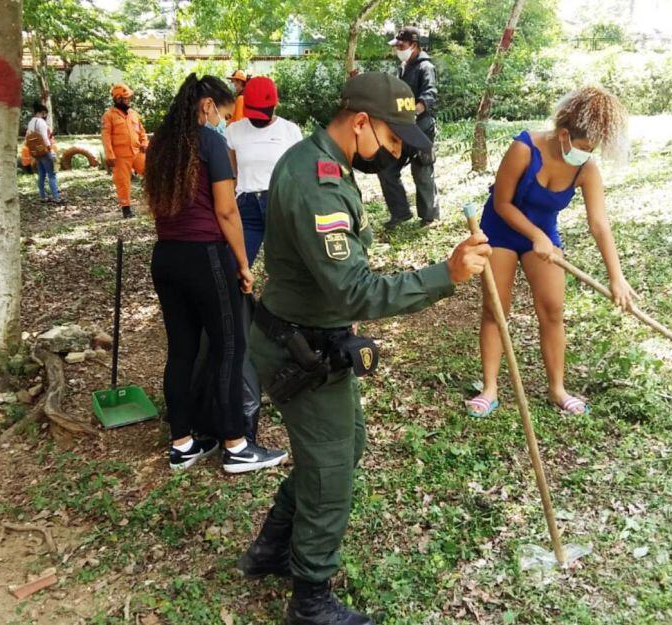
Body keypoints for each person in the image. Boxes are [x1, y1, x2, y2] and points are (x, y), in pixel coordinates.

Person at [236, 72, 491, 625]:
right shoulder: (318, 182)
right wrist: (444, 274)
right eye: (393, 139)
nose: (397, 152)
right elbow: (353, 289)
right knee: (331, 472)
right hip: (299, 348)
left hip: (316, 340)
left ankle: (269, 550)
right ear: (359, 123)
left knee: (343, 448)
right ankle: (310, 599)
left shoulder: (323, 163)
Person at [143, 73, 287, 475]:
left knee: (182, 351)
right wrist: (242, 264)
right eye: (224, 113)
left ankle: (182, 443)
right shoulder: (211, 142)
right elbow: (227, 211)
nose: (225, 121)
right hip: (206, 256)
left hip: (166, 257)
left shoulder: (160, 145)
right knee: (230, 348)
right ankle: (237, 445)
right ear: (207, 107)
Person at [465, 87, 637, 420]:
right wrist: (534, 236)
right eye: (585, 147)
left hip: (543, 236)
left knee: (553, 310)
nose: (588, 154)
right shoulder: (524, 148)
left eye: (593, 149)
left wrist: (617, 277)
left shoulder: (586, 168)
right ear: (563, 135)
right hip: (500, 228)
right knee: (496, 308)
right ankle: (489, 389)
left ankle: (557, 389)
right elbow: (501, 203)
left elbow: (599, 224)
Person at [224, 76, 302, 267]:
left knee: (286, 268)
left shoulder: (290, 131)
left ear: (275, 105)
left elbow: (298, 175)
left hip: (279, 204)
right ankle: (242, 297)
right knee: (234, 267)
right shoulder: (234, 131)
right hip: (246, 205)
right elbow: (231, 174)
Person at [378, 26, 439, 229]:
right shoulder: (403, 67)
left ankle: (429, 217)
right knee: (386, 169)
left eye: (401, 45)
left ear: (413, 45)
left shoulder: (425, 67)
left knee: (422, 171)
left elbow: (430, 94)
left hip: (421, 129)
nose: (397, 49)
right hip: (401, 129)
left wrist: (414, 111)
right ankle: (401, 213)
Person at [102, 83, 148, 218]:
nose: (128, 100)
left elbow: (142, 132)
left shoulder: (134, 114)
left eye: (129, 98)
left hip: (137, 152)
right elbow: (106, 136)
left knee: (151, 173)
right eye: (126, 98)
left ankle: (155, 200)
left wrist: (144, 143)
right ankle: (126, 209)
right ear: (118, 99)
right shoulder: (109, 116)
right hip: (120, 156)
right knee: (123, 182)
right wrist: (109, 155)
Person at [25, 103, 65, 205]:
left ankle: (42, 196)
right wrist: (50, 150)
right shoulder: (41, 122)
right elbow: (45, 138)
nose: (45, 115)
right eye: (45, 113)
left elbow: (27, 138)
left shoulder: (31, 122)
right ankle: (56, 198)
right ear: (42, 112)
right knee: (52, 175)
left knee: (41, 175)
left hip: (36, 152)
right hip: (44, 151)